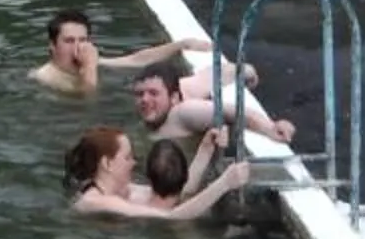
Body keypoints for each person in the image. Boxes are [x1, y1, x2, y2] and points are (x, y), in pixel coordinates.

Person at [32, 11, 244, 96]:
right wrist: (89, 66)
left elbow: (136, 60)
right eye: (69, 41)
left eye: (83, 40)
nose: (79, 48)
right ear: (52, 46)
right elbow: (88, 96)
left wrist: (180, 45)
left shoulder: (90, 64)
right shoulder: (44, 77)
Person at [64, 125, 250, 220]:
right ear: (107, 163)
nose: (133, 163)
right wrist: (224, 184)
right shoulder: (97, 201)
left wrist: (205, 150)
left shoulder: (124, 191)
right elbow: (170, 217)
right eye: (127, 157)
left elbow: (178, 193)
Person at [134, 62, 293, 146]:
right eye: (139, 94)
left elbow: (228, 112)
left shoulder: (184, 112)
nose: (144, 100)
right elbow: (217, 73)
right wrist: (246, 72)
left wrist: (270, 128)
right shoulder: (184, 88)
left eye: (153, 94)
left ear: (174, 97)